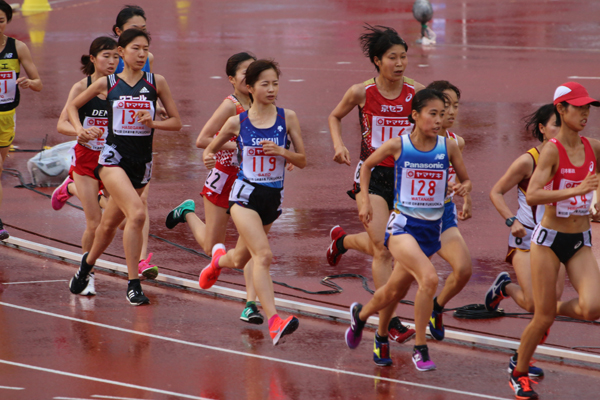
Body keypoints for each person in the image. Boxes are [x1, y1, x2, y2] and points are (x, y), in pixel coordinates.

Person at [345, 89, 471, 370]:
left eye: (443, 114)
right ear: (415, 115)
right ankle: (421, 348)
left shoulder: (448, 147)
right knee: (428, 278)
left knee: (393, 291)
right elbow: (366, 166)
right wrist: (364, 199)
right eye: (433, 114)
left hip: (433, 228)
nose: (439, 120)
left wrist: (464, 189)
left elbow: (466, 179)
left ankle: (364, 319)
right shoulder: (398, 145)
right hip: (403, 228)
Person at [66, 29, 181, 305]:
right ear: (122, 52)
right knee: (138, 214)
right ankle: (133, 284)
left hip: (141, 163)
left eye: (145, 49)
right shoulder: (108, 83)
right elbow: (72, 106)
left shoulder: (157, 83)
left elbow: (176, 122)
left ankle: (85, 266)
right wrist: (80, 129)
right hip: (112, 159)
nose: (141, 55)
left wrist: (153, 123)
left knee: (108, 226)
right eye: (135, 49)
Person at [327, 25, 424, 345]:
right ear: (376, 60)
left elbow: (437, 123)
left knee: (390, 247)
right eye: (392, 58)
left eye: (404, 57)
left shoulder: (417, 94)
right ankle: (391, 321)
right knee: (383, 249)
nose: (399, 63)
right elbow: (334, 116)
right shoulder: (361, 92)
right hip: (371, 176)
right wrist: (339, 144)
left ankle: (342, 242)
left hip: (406, 179)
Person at [200, 59, 306, 345]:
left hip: (271, 199)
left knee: (240, 258)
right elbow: (208, 146)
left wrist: (283, 152)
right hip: (243, 197)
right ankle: (274, 321)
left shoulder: (288, 118)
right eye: (265, 84)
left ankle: (216, 262)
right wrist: (208, 156)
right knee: (264, 256)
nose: (272, 89)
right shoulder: (238, 121)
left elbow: (303, 160)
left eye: (275, 83)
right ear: (250, 87)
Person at [509, 82, 600, 399]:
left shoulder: (593, 147)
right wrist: (575, 191)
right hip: (548, 240)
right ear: (561, 110)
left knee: (593, 307)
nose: (586, 112)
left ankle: (551, 307)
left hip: (580, 240)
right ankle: (519, 372)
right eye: (579, 107)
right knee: (543, 317)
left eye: (589, 107)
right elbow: (533, 193)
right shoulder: (551, 150)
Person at [165, 52, 265, 324]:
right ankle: (187, 212)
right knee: (212, 246)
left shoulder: (264, 102)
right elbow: (203, 139)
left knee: (254, 249)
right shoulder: (230, 105)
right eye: (244, 72)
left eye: (253, 71)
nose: (250, 77)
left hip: (250, 183)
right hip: (223, 179)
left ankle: (250, 305)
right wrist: (240, 145)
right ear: (232, 80)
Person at [487, 104, 565, 377]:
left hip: (557, 239)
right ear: (542, 128)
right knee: (535, 304)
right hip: (526, 237)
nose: (563, 130)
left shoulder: (572, 158)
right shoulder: (527, 161)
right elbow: (496, 192)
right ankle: (505, 287)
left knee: (550, 306)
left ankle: (523, 357)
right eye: (557, 124)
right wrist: (512, 220)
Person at [52, 37, 119, 294]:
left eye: (116, 56)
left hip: (114, 162)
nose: (112, 61)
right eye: (106, 56)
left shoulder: (122, 87)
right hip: (87, 160)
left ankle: (68, 189)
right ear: (93, 59)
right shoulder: (81, 87)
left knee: (116, 223)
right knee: (94, 223)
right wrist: (80, 131)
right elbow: (62, 124)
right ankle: (87, 273)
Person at [422, 80, 472, 341]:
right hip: (413, 218)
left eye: (455, 106)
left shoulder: (456, 142)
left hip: (443, 215)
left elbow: (463, 179)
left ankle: (437, 307)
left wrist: (466, 199)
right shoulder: (408, 141)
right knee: (410, 280)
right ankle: (376, 325)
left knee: (463, 270)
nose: (451, 112)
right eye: (445, 105)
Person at [0, 0, 42, 240]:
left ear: (7, 21)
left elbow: (38, 83)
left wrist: (29, 82)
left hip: (6, 117)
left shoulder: (18, 48)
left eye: (1, 21)